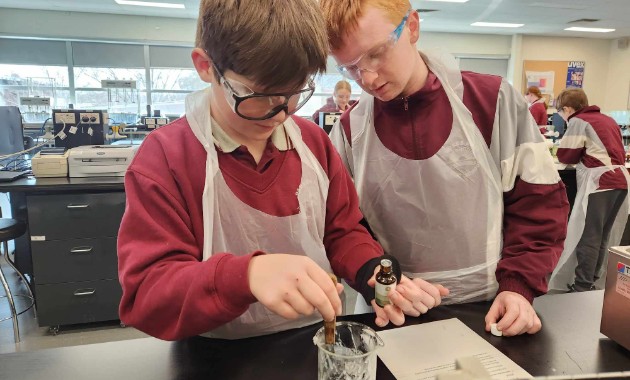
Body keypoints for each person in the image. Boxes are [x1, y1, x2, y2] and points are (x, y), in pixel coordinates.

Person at [117, 0, 446, 341]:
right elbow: (147, 295)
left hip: (313, 338)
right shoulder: (166, 159)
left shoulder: (313, 143)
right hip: (216, 354)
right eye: (258, 95)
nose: (279, 114)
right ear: (205, 66)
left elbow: (342, 231)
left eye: (294, 93)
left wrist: (371, 272)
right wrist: (245, 275)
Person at [319, 0, 569, 337]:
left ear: (412, 27)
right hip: (392, 312)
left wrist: (519, 286)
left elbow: (538, 206)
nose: (368, 78)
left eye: (377, 53)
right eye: (349, 68)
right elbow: (345, 228)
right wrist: (377, 284)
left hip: (491, 307)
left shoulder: (493, 102)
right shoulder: (351, 131)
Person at [550, 88, 629, 293]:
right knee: (602, 235)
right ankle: (592, 279)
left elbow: (566, 155)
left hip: (600, 182)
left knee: (589, 236)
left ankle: (582, 286)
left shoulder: (578, 121)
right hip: (620, 182)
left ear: (567, 109)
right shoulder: (607, 119)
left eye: (560, 112)